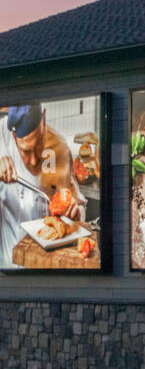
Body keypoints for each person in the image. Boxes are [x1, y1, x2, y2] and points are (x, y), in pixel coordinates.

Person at [0, 105, 83, 268]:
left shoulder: (59, 146)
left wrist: (74, 213)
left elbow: (76, 200)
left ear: (44, 118)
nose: (33, 160)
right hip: (10, 270)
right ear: (14, 135)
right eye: (25, 151)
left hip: (48, 268)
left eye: (39, 146)